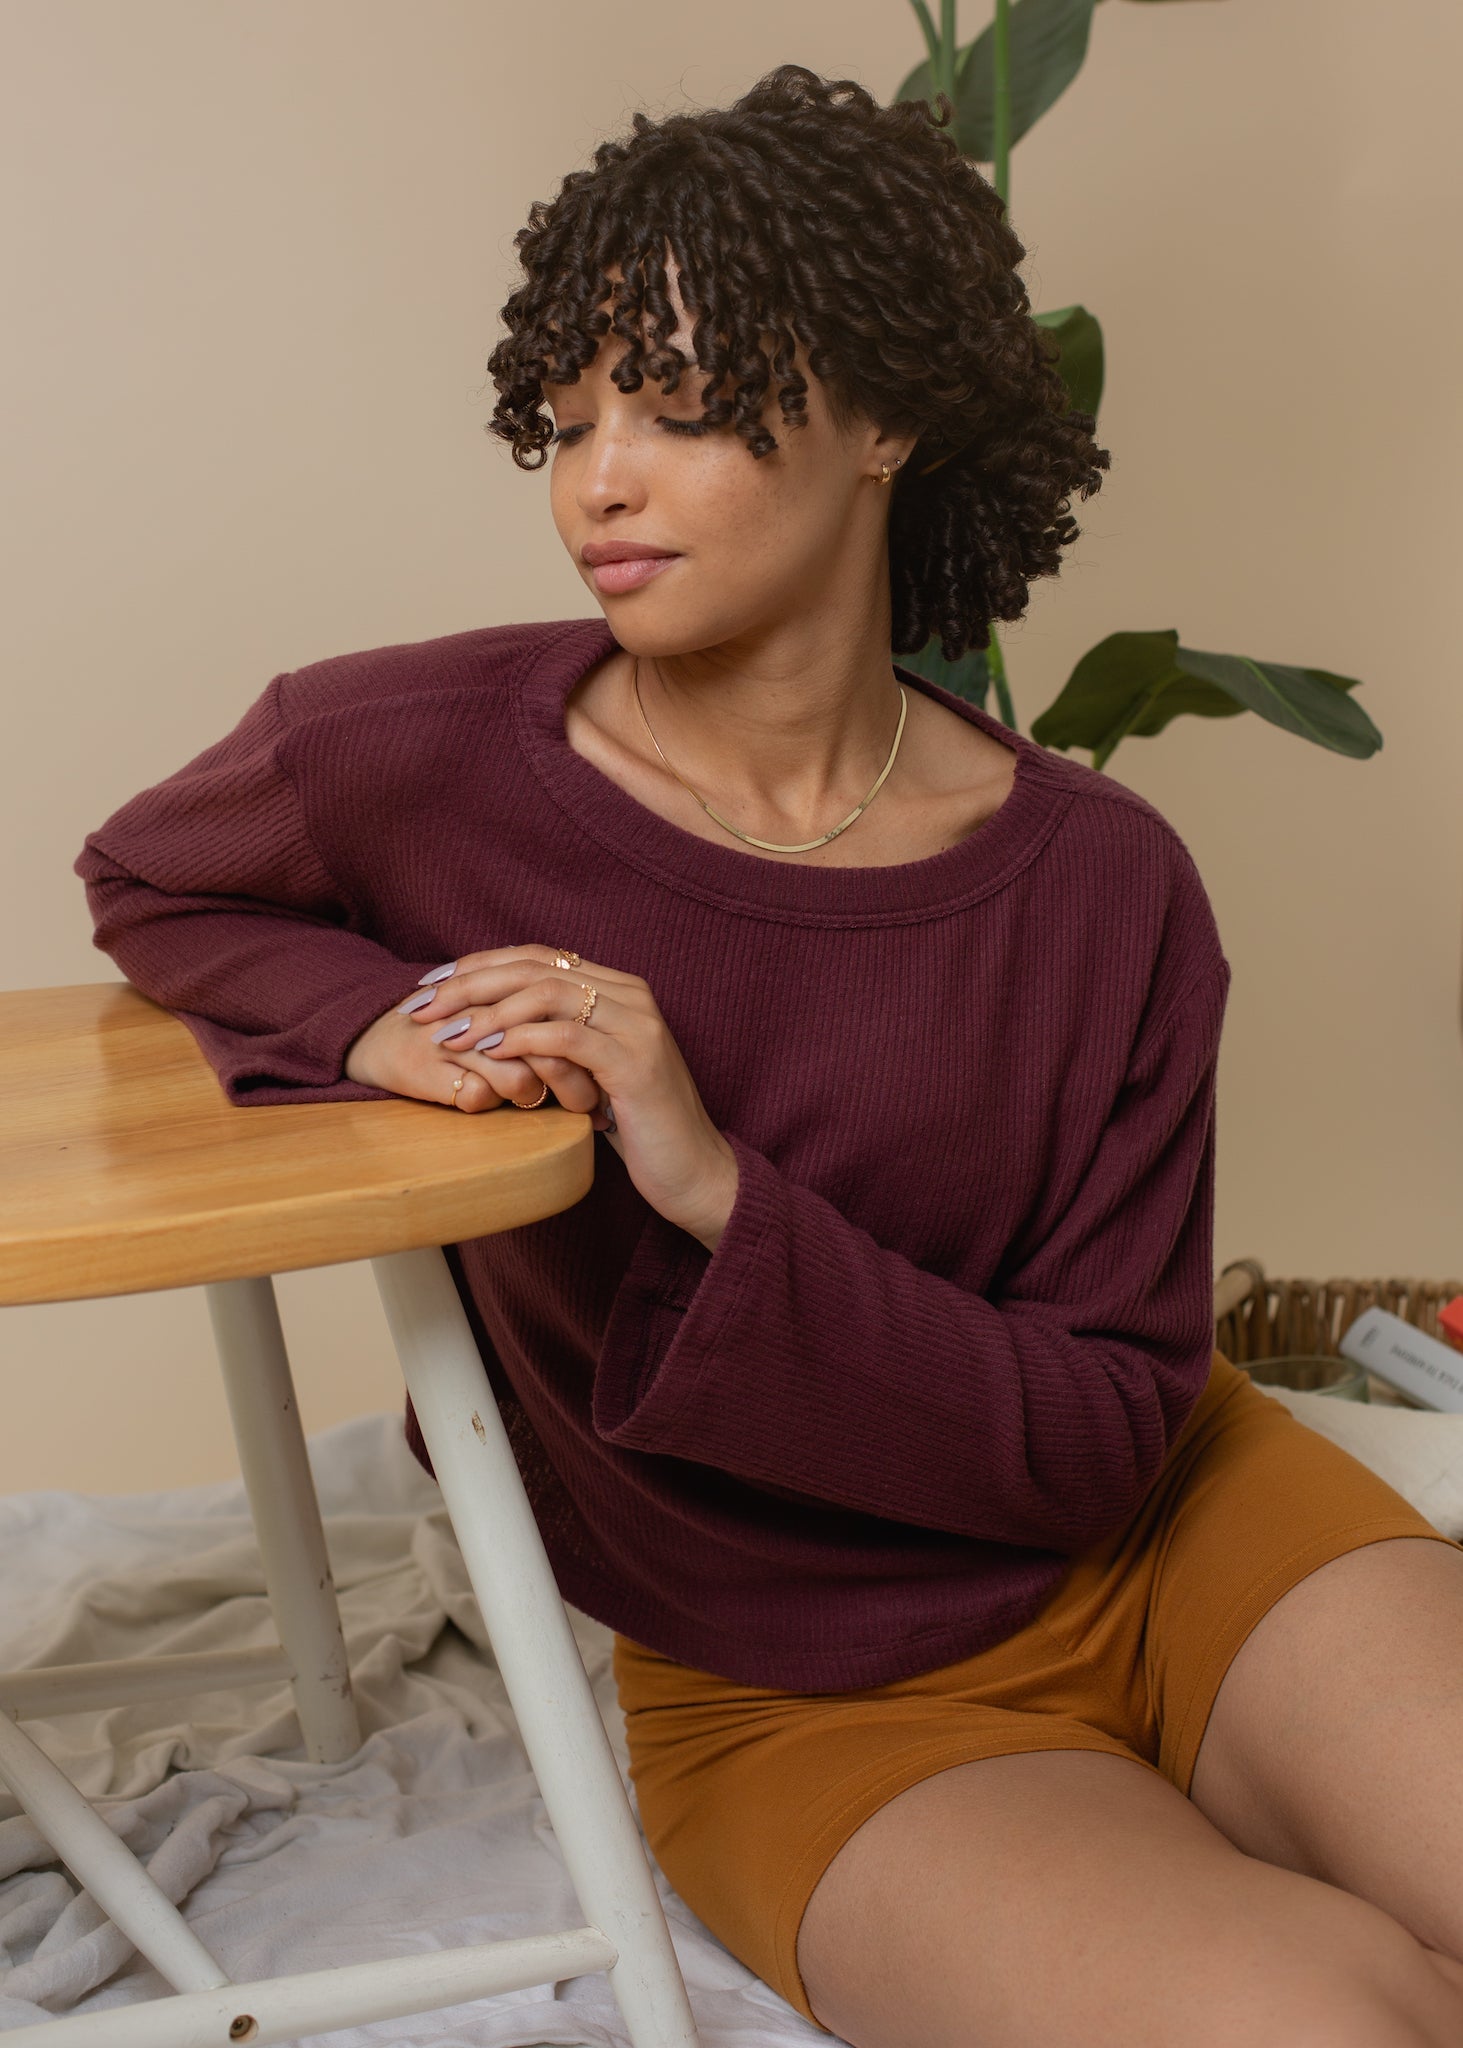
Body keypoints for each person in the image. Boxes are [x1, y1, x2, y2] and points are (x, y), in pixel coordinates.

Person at [73, 62, 1463, 2048]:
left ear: (886, 419)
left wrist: (718, 1187)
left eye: (675, 405)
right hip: (800, 1687)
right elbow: (147, 873)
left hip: (1187, 1532)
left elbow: (1102, 1431)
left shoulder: (1104, 882)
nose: (599, 482)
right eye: (569, 421)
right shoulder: (409, 760)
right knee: (1339, 2026)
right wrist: (383, 1022)